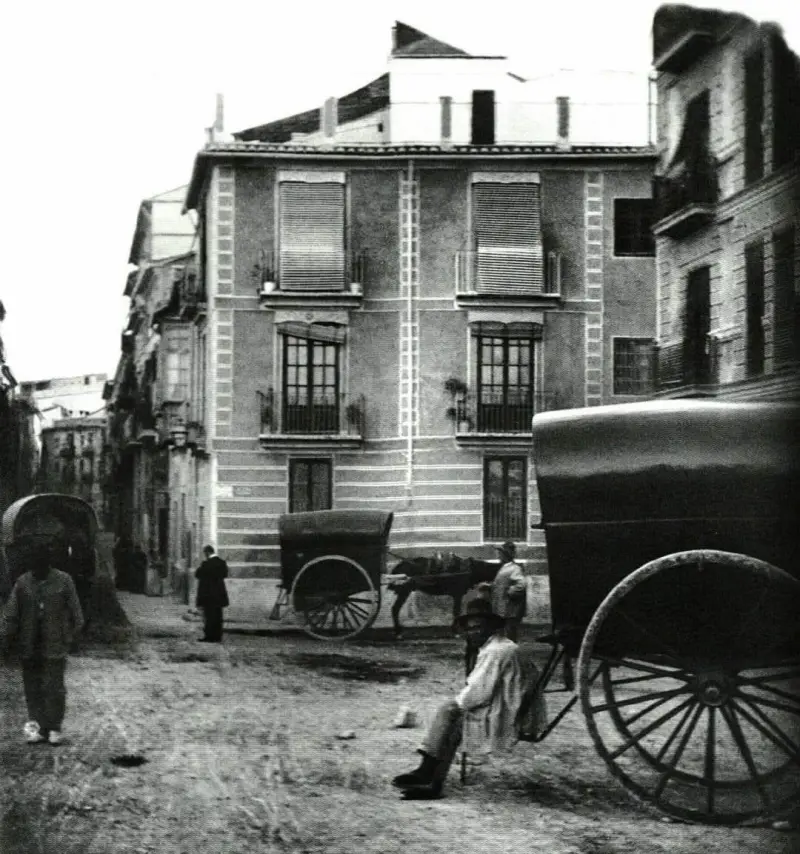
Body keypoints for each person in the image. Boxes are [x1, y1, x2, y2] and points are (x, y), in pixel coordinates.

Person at [392, 598, 523, 800]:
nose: (473, 633)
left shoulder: (496, 651)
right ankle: (426, 768)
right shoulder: (498, 646)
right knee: (449, 709)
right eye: (469, 629)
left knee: (452, 712)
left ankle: (434, 782)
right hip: (505, 700)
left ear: (491, 627)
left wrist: (458, 704)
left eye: (479, 627)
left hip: (508, 708)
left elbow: (479, 692)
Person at [0, 542, 84, 745]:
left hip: (54, 645)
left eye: (42, 563)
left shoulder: (64, 581)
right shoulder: (22, 583)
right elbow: (11, 614)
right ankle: (35, 729)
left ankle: (54, 728)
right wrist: (5, 638)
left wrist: (70, 638)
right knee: (32, 689)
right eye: (34, 563)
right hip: (29, 645)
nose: (38, 567)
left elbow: (77, 615)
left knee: (54, 687)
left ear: (49, 562)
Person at [491, 541, 527, 642]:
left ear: (505, 555)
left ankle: (511, 654)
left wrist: (509, 592)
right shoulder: (505, 567)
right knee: (503, 634)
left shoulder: (515, 568)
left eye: (500, 553)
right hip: (503, 608)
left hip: (510, 609)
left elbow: (522, 585)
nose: (498, 556)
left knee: (510, 634)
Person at [195, 545, 229, 643]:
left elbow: (198, 575)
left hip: (208, 595)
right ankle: (218, 636)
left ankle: (209, 636)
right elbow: (225, 575)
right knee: (218, 616)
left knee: (209, 616)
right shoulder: (222, 562)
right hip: (219, 595)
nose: (204, 555)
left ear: (207, 553)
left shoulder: (206, 564)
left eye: (205, 553)